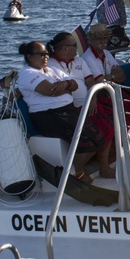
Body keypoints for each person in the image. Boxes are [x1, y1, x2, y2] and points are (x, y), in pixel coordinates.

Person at [17, 41, 103, 184]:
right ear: (30, 57)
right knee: (86, 140)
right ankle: (78, 172)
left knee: (99, 137)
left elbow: (74, 85)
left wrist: (65, 84)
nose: (45, 57)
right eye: (41, 54)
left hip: (68, 112)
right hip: (49, 116)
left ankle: (75, 169)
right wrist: (66, 86)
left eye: (47, 54)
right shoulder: (27, 74)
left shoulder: (51, 70)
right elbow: (50, 91)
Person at [49, 31, 116, 180]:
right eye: (74, 45)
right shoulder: (50, 65)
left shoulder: (79, 61)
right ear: (64, 48)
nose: (77, 48)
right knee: (97, 130)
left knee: (110, 122)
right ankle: (78, 170)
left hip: (89, 104)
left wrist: (92, 99)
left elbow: (90, 81)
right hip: (69, 109)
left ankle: (104, 167)